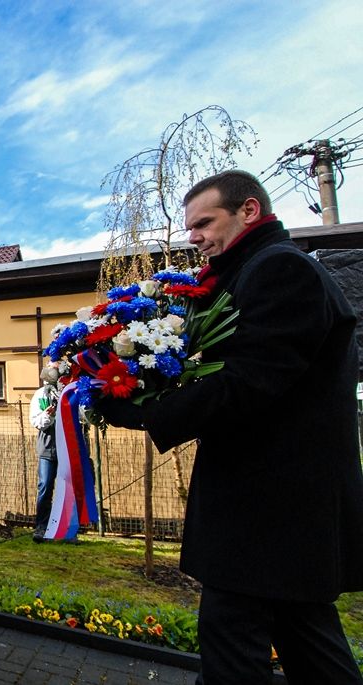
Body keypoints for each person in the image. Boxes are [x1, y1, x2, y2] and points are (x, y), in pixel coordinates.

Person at [98, 170, 363, 683]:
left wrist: (147, 410)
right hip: (280, 516)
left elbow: (247, 384)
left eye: (203, 223)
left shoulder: (279, 271)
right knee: (310, 648)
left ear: (248, 211)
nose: (193, 236)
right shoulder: (254, 272)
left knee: (231, 653)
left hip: (268, 511)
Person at [29, 362, 59, 543]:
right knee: (45, 486)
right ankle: (41, 526)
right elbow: (36, 421)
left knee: (69, 488)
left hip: (68, 448)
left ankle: (68, 528)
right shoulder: (41, 394)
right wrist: (49, 415)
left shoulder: (69, 391)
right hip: (47, 447)